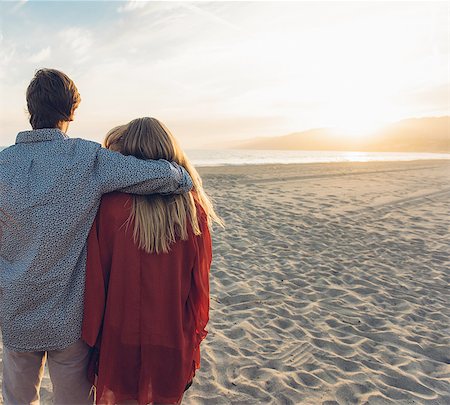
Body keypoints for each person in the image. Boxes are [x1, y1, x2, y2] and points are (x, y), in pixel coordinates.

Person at [0, 69, 193, 404]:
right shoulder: (87, 159)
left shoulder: (3, 164)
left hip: (14, 311)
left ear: (30, 110)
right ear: (72, 111)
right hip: (67, 317)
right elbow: (166, 176)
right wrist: (181, 174)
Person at [82, 117, 222, 404]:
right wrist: (192, 339)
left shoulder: (110, 208)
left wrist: (91, 342)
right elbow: (199, 288)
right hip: (171, 334)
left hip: (119, 336)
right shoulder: (193, 211)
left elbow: (96, 282)